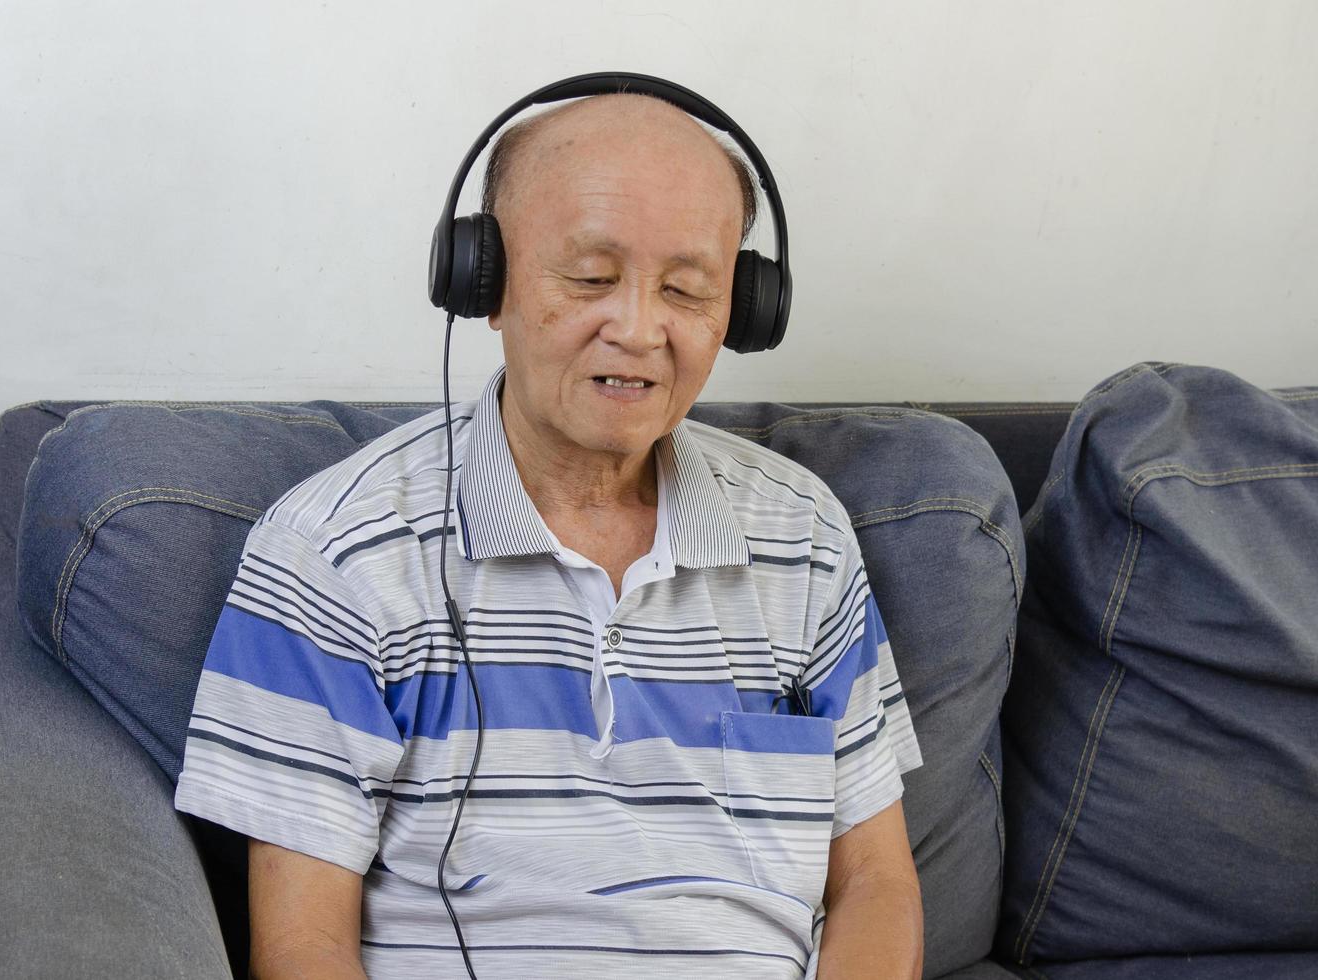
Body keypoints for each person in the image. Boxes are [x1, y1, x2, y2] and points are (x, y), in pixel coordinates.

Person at [174, 87, 924, 979]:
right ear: (482, 285)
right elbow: (304, 948)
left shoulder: (806, 535)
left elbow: (876, 880)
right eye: (591, 278)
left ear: (747, 309)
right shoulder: (330, 551)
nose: (641, 330)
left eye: (687, 290)